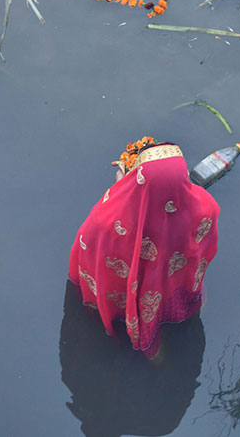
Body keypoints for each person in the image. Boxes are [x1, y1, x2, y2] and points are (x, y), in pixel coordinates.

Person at [68, 137, 220, 357]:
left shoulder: (106, 222)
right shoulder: (206, 209)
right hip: (174, 292)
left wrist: (121, 186)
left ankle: (151, 351)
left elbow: (88, 253)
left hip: (130, 301)